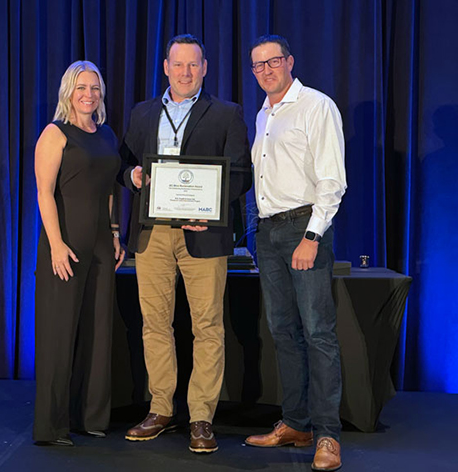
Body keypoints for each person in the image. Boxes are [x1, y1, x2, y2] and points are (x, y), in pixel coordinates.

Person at [118, 34, 252, 453]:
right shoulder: (142, 113)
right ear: (165, 67)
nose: (185, 72)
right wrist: (133, 178)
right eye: (178, 64)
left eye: (193, 65)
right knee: (155, 323)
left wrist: (208, 208)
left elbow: (242, 173)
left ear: (205, 68)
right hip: (152, 232)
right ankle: (160, 408)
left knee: (207, 327)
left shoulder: (227, 113)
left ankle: (201, 418)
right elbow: (124, 164)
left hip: (203, 234)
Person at [245, 35, 347, 472]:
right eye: (257, 66)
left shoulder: (316, 106)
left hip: (303, 230)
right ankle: (296, 424)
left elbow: (332, 180)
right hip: (268, 234)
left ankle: (327, 436)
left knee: (318, 334)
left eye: (272, 62)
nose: (265, 70)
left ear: (289, 61)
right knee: (284, 333)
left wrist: (312, 235)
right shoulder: (264, 114)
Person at [33, 60, 124, 446]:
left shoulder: (105, 135)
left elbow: (107, 190)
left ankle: (90, 416)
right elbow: (44, 192)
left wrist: (115, 233)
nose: (89, 94)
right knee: (59, 332)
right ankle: (52, 426)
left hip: (102, 244)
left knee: (98, 331)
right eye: (82, 87)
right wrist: (56, 244)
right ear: (68, 91)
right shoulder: (55, 134)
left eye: (95, 88)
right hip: (65, 243)